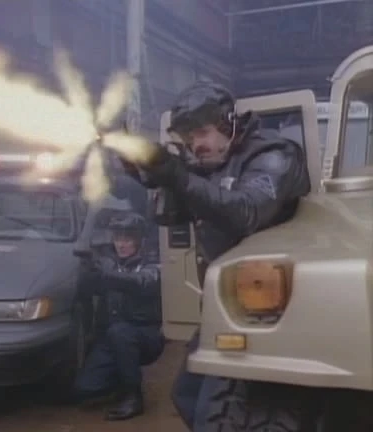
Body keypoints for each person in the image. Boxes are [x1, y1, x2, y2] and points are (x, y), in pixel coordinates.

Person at [120, 82, 311, 430]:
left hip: (274, 308)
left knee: (218, 410)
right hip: (227, 306)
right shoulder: (207, 164)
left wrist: (176, 174)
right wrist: (148, 174)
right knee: (187, 394)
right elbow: (168, 216)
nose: (196, 144)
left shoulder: (273, 154)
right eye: (189, 138)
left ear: (228, 123)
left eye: (202, 132)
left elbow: (246, 211)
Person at [73, 212, 165, 421]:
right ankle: (120, 379)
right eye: (117, 238)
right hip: (114, 337)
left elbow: (141, 283)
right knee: (85, 388)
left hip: (147, 335)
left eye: (127, 239)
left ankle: (134, 396)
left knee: (120, 332)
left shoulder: (153, 263)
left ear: (139, 239)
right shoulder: (108, 262)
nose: (121, 244)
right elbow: (89, 289)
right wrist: (87, 271)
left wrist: (106, 276)